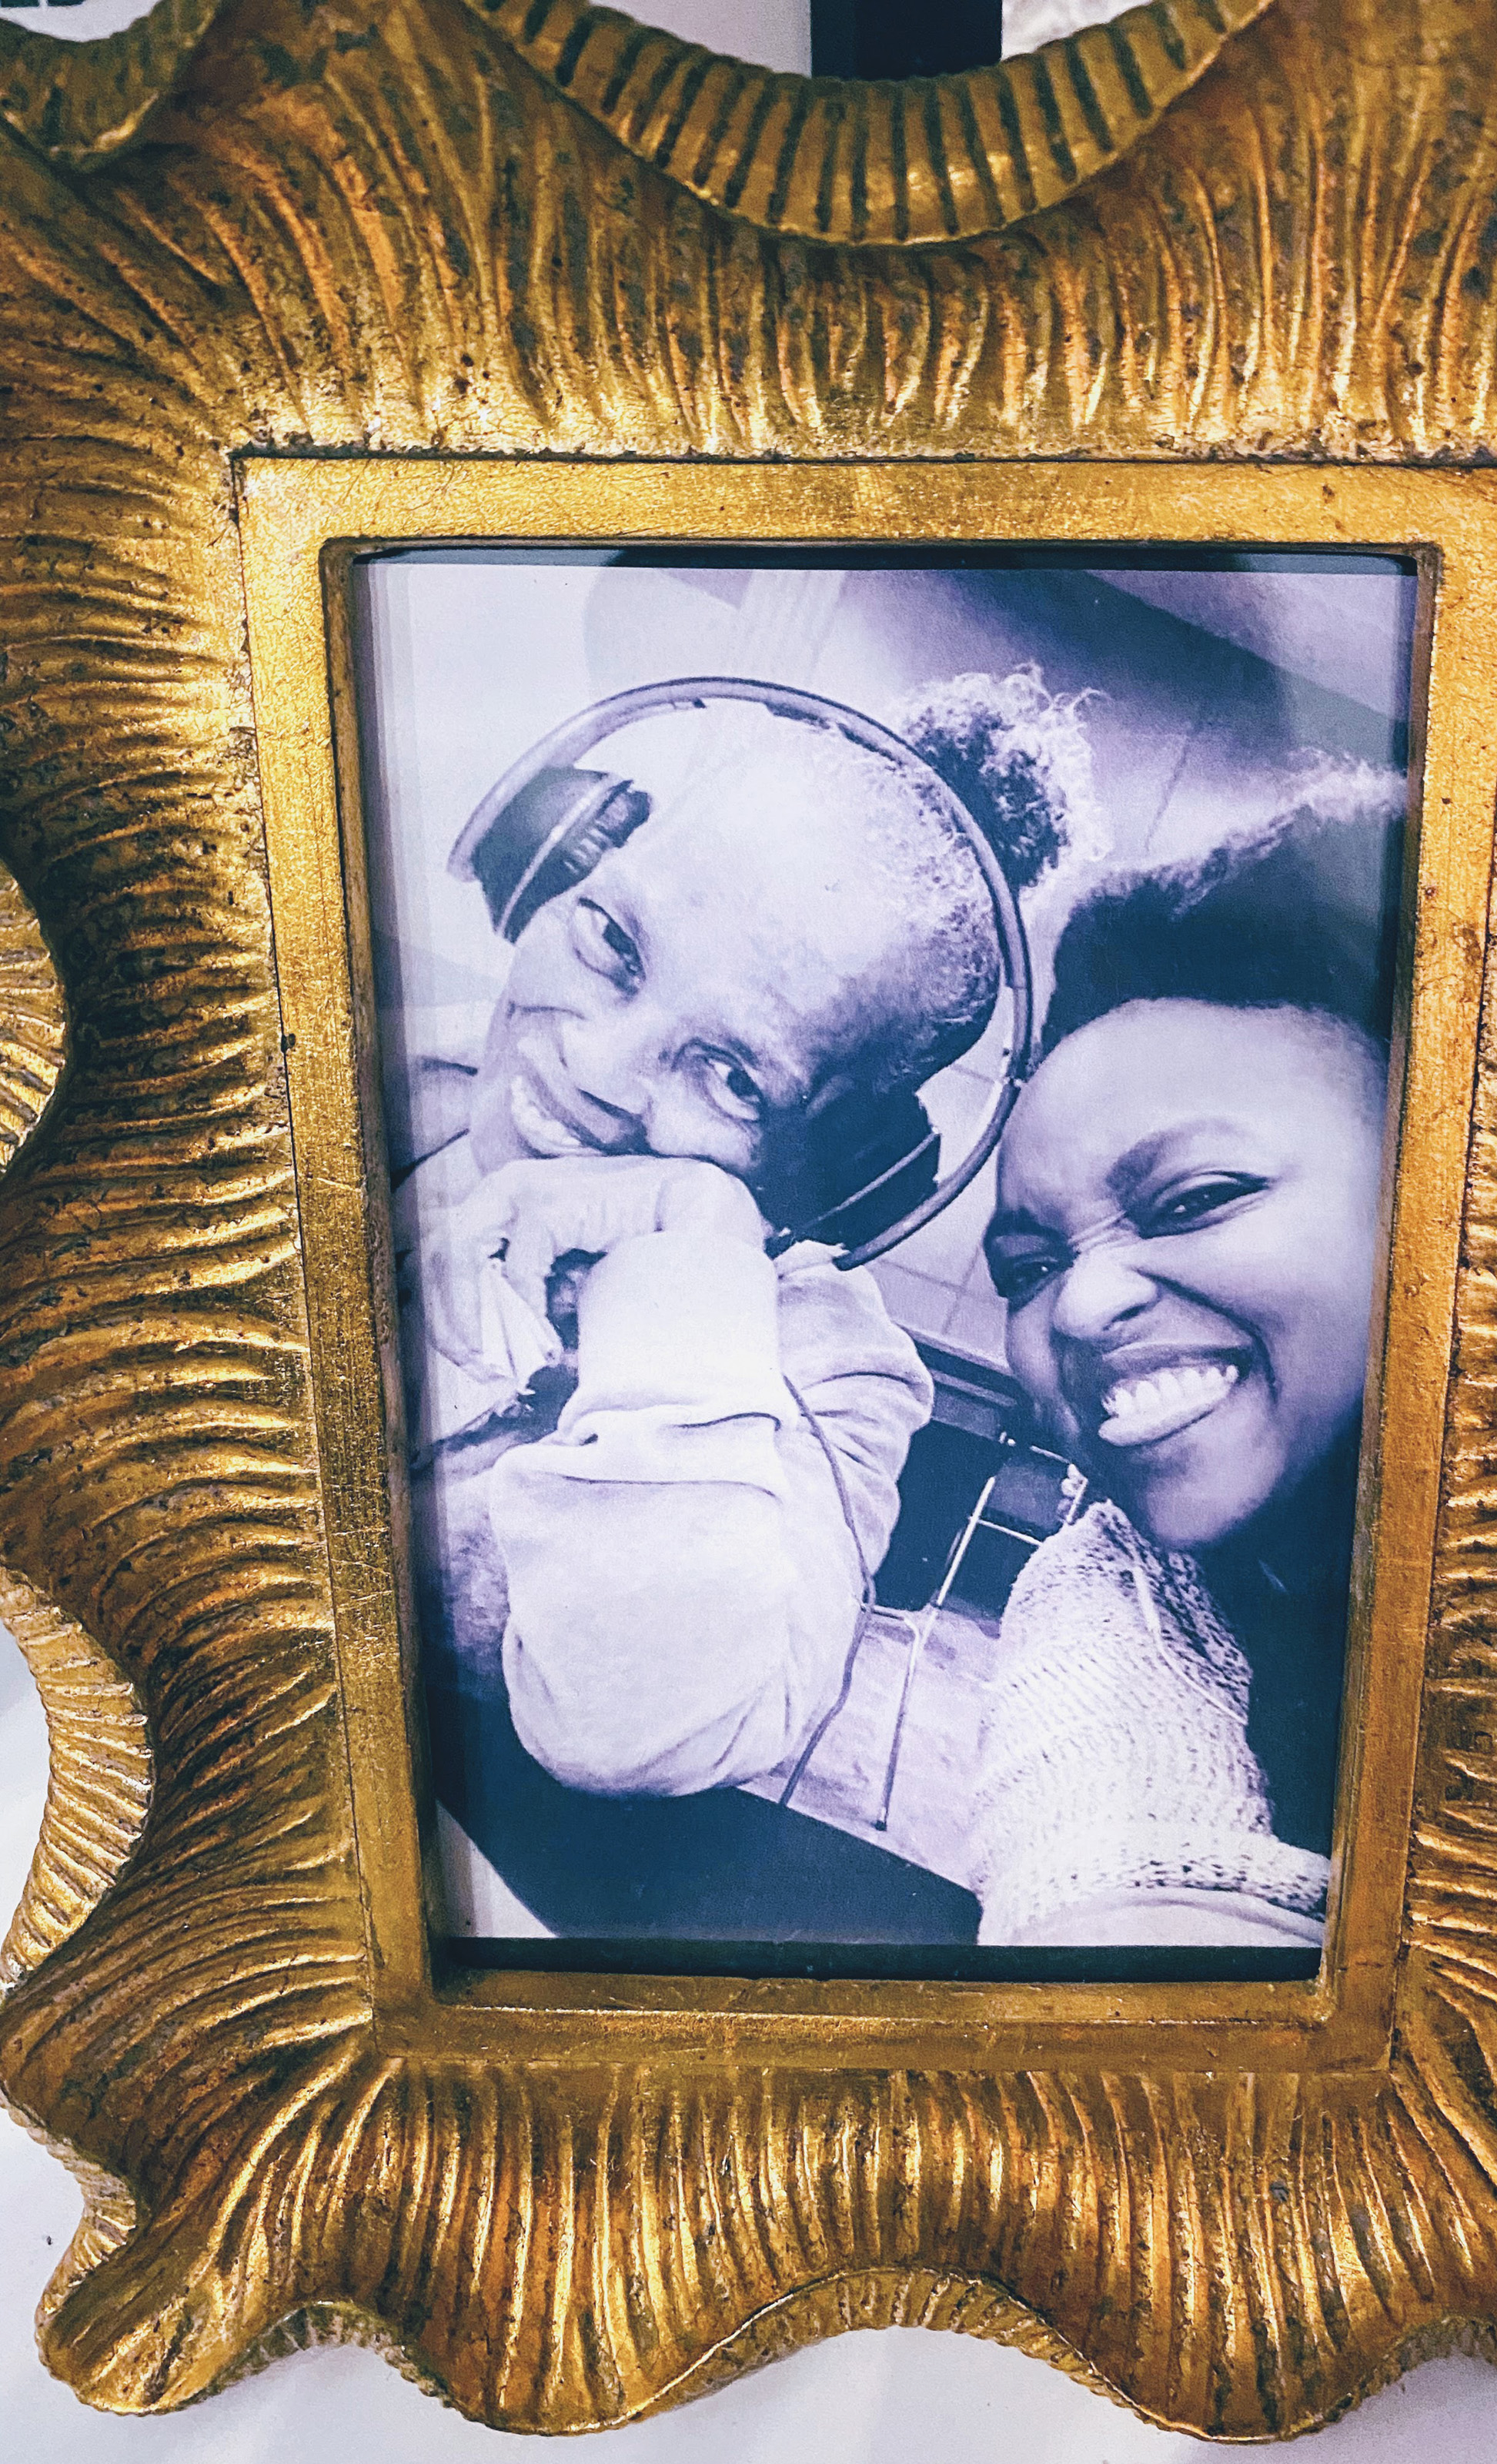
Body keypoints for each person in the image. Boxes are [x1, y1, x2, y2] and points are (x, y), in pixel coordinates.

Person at [394, 669, 1096, 1928]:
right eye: (613, 940)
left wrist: (691, 1240)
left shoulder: (834, 1385)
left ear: (850, 1172)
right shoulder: (348, 1064)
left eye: (732, 1075)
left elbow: (640, 1719)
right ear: (558, 863)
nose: (595, 1068)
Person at [971, 807, 1400, 1947]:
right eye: (1030, 1265)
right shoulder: (1118, 1585)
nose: (1080, 1304)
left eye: (1196, 1198)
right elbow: (1113, 1910)